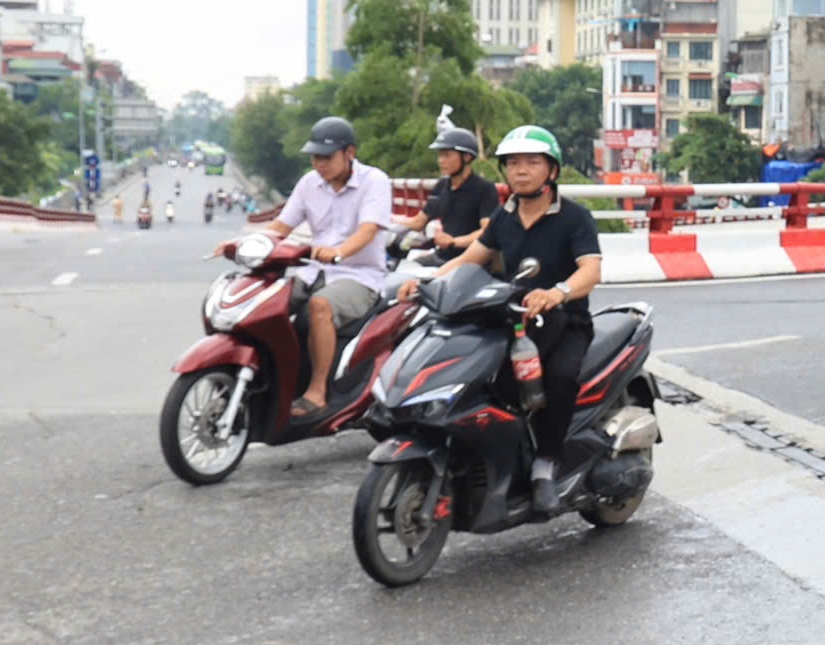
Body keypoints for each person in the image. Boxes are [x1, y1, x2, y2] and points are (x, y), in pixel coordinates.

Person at [403, 126, 600, 517]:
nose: (521, 171)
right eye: (513, 164)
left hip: (565, 321)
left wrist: (556, 292)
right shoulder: (503, 217)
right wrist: (425, 282)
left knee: (557, 378)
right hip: (511, 319)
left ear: (552, 171)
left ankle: (546, 463)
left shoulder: (574, 217)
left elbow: (590, 270)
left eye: (532, 163)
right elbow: (468, 259)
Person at [251, 116, 393, 419]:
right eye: (315, 157)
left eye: (326, 157)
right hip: (313, 271)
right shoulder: (309, 183)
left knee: (320, 306)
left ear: (350, 153)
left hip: (360, 276)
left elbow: (368, 230)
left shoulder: (375, 181)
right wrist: (247, 245)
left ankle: (317, 392)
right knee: (265, 302)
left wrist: (339, 252)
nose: (319, 164)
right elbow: (280, 226)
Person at [393, 125, 499, 260]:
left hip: (470, 260)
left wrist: (455, 242)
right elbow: (418, 222)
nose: (440, 161)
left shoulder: (484, 189)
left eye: (447, 155)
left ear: (466, 157)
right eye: (440, 155)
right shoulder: (441, 186)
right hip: (442, 255)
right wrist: (382, 223)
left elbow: (487, 231)